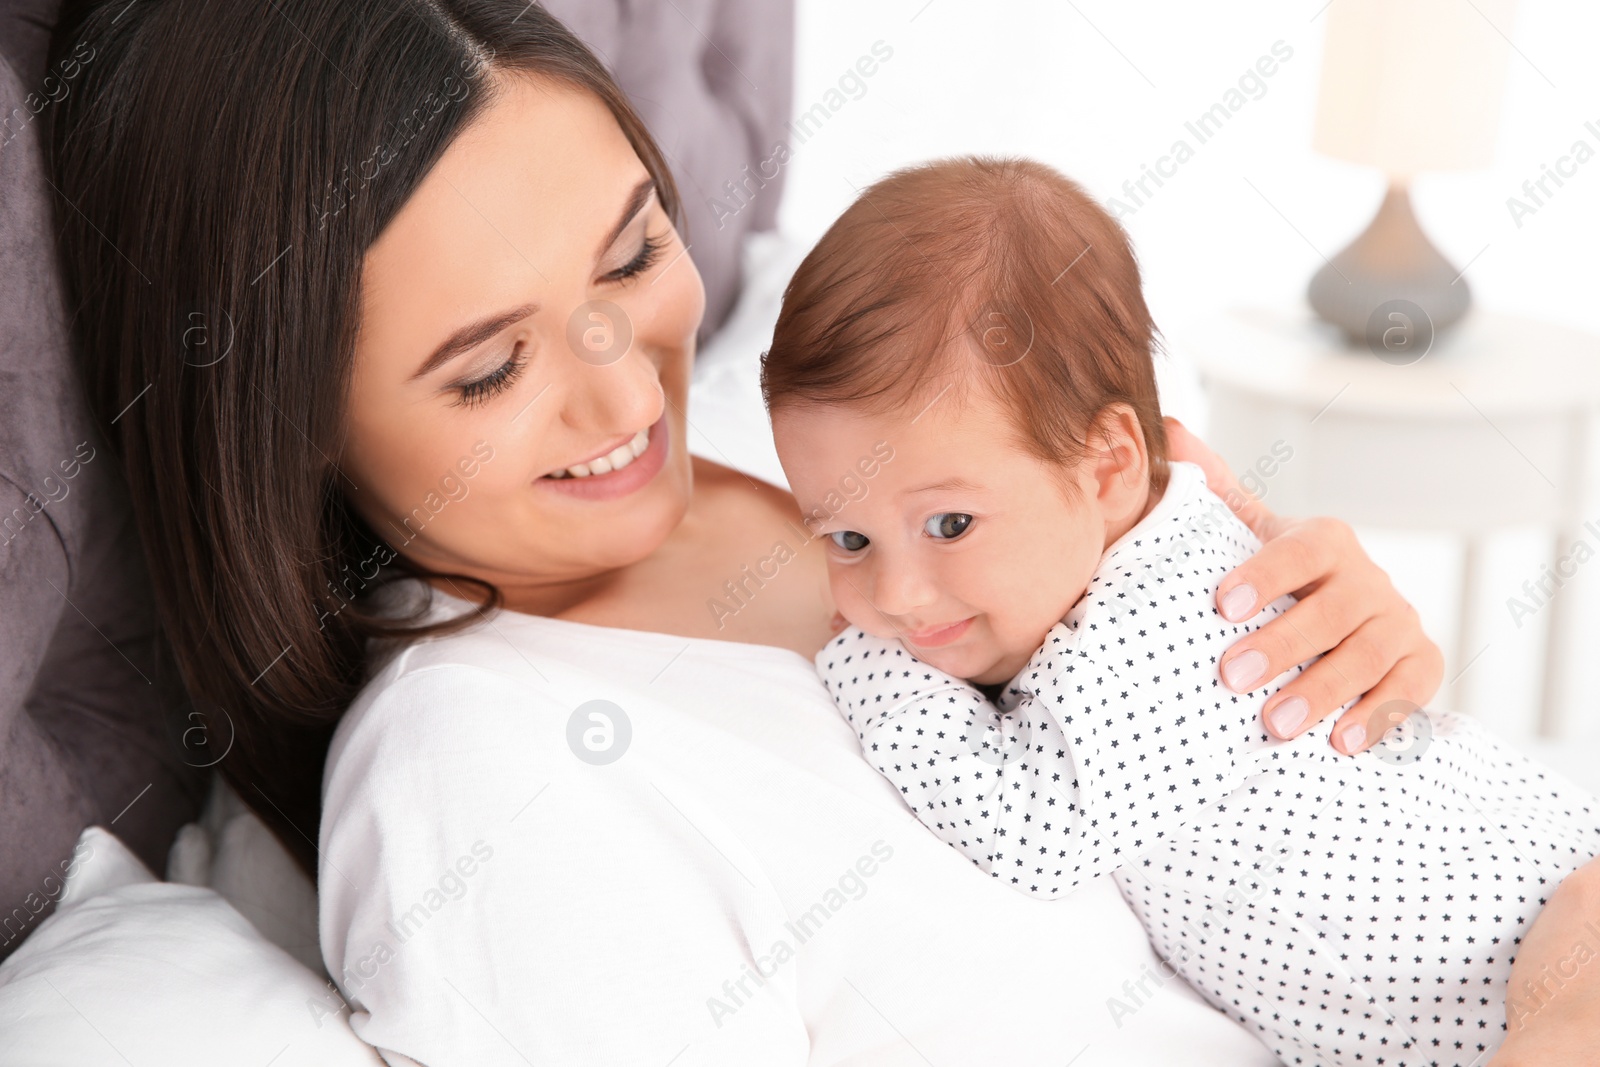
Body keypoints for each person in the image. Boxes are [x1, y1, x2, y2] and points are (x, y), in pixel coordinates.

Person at [52, 0, 1577, 1062]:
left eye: (635, 249)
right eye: (491, 367)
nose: (619, 391)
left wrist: (1333, 646)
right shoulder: (486, 777)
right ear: (293, 422)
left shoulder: (777, 441)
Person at [761, 155, 1600, 1066]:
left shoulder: (1178, 620)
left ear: (1109, 464)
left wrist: (859, 660)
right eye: (846, 541)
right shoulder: (1118, 549)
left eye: (949, 523)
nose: (893, 596)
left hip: (1525, 936)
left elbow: (1033, 830)